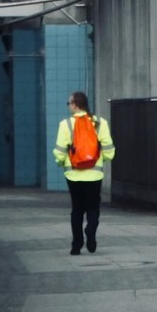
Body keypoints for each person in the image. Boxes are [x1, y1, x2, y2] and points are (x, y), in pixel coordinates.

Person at [53, 91, 116, 255]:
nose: (69, 106)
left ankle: (76, 245)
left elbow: (60, 151)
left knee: (77, 209)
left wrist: (61, 163)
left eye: (69, 103)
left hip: (73, 174)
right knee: (93, 207)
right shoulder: (100, 123)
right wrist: (101, 159)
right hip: (94, 174)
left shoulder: (66, 124)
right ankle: (91, 231)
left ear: (75, 105)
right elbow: (109, 149)